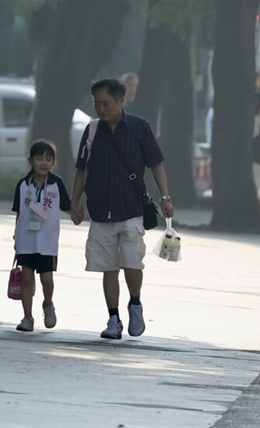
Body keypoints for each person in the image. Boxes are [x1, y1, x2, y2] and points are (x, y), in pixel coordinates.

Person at [69, 77, 175, 340]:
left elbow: (156, 164)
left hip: (131, 209)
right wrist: (74, 203)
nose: (100, 109)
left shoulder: (139, 128)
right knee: (108, 268)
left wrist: (165, 197)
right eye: (96, 104)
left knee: (132, 263)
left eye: (106, 104)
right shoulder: (92, 130)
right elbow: (82, 169)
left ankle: (135, 304)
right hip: (100, 210)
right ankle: (113, 318)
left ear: (120, 101)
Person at [12, 140, 72, 332]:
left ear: (53, 162)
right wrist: (16, 237)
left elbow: (67, 207)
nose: (44, 163)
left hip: (47, 241)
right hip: (26, 240)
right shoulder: (22, 185)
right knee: (27, 279)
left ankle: (47, 303)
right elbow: (19, 213)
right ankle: (27, 317)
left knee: (47, 279)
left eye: (48, 159)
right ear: (30, 160)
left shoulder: (56, 184)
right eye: (39, 158)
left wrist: (78, 214)